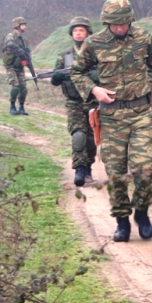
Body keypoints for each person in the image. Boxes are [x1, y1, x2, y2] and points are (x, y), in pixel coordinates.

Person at [71, 0, 152, 243]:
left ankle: (142, 212)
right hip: (111, 116)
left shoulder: (144, 38)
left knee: (145, 167)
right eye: (115, 24)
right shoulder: (94, 43)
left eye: (124, 23)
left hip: (140, 112)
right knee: (115, 172)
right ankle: (122, 220)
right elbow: (77, 71)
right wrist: (94, 89)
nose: (120, 28)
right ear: (106, 22)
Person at [51, 17, 99, 187]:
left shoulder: (96, 53)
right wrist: (56, 77)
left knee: (91, 139)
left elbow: (107, 75)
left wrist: (96, 76)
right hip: (73, 102)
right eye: (76, 30)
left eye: (82, 30)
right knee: (78, 134)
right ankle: (79, 168)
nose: (78, 33)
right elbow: (55, 79)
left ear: (88, 33)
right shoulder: (65, 55)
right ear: (72, 33)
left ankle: (88, 167)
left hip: (93, 102)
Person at [1, 17, 31, 115]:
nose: (25, 27)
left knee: (23, 88)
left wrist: (26, 61)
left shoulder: (24, 40)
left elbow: (27, 52)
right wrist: (20, 51)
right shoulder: (11, 36)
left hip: (19, 67)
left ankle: (21, 107)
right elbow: (10, 44)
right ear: (17, 26)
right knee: (16, 86)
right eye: (23, 25)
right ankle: (12, 107)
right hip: (10, 66)